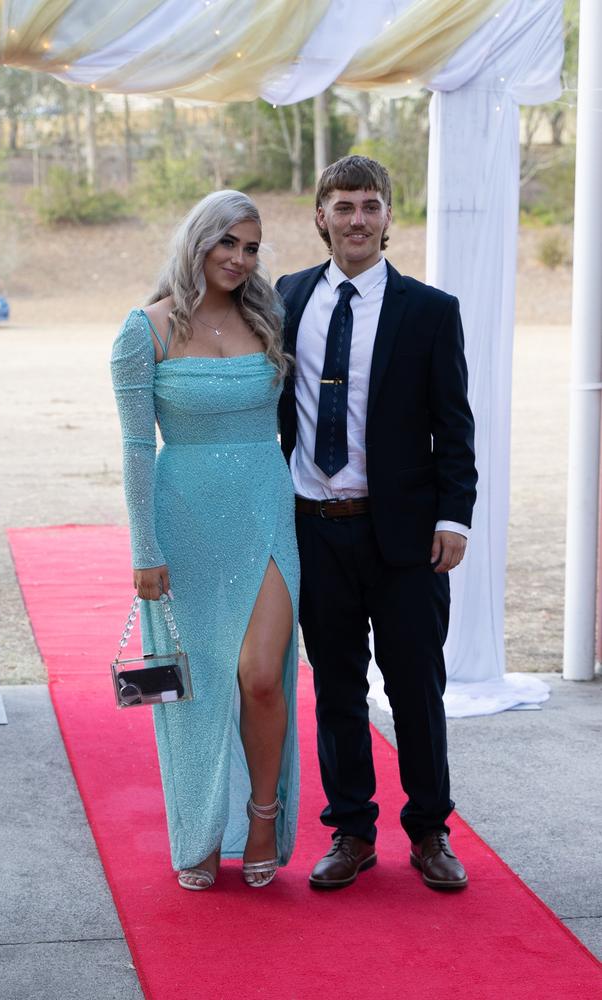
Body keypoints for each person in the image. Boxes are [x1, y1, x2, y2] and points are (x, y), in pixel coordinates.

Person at [276, 155, 477, 891]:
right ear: (321, 216)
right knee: (334, 686)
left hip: (405, 537)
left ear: (389, 218)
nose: (356, 219)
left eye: (370, 206)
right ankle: (352, 832)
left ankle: (429, 831)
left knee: (416, 686)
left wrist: (455, 517)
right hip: (314, 528)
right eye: (343, 205)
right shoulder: (287, 297)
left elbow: (455, 429)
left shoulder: (430, 311)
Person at [111, 190, 299, 891]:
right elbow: (135, 448)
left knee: (260, 675)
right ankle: (195, 827)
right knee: (194, 688)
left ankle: (260, 816)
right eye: (227, 243)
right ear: (197, 241)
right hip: (183, 519)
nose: (239, 259)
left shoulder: (268, 315)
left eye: (250, 247)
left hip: (266, 510)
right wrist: (144, 551)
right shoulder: (143, 330)